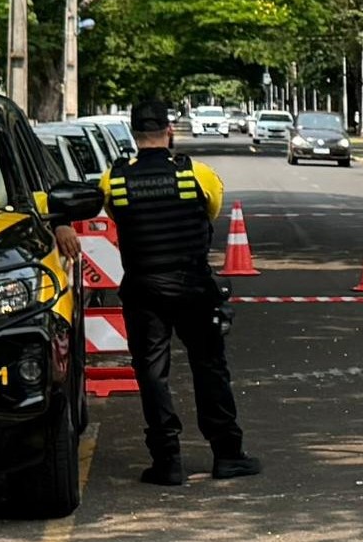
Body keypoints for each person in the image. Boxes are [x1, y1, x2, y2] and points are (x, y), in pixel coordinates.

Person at [72, 100, 258, 484]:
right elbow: (211, 212)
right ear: (169, 131)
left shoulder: (115, 179)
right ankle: (227, 453)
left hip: (143, 289)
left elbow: (95, 208)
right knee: (209, 367)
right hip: (193, 286)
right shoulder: (197, 175)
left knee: (152, 373)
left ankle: (167, 461)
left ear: (134, 134)